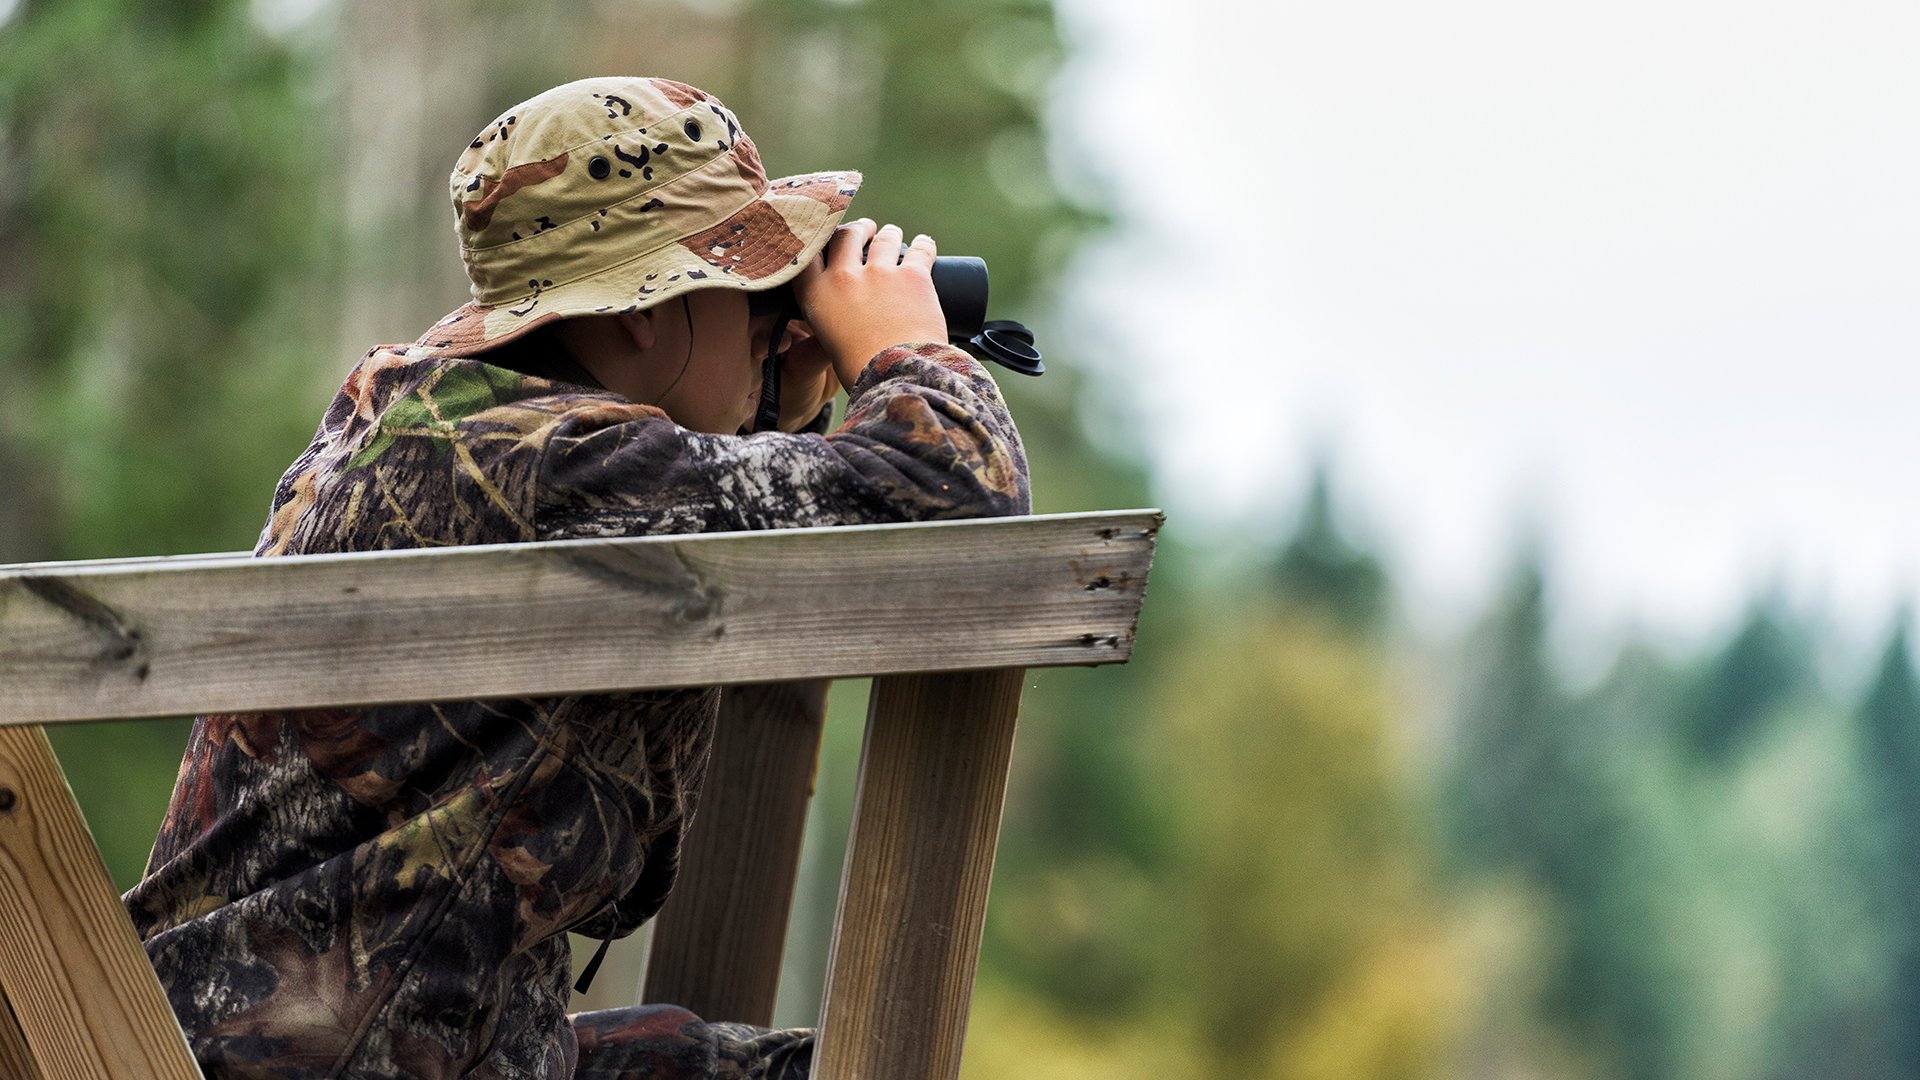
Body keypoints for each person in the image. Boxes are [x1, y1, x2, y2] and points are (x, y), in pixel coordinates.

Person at [122, 75, 1030, 1079]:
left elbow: (725, 504)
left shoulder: (423, 417)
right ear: (645, 312)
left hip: (279, 1035)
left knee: (759, 1059)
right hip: (344, 1056)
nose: (779, 317)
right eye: (754, 286)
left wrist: (775, 399)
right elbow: (955, 495)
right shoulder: (562, 463)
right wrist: (904, 348)